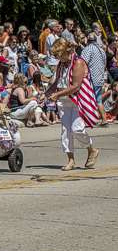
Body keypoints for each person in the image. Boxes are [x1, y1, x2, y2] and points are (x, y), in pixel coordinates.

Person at [46, 38, 99, 170]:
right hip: (63, 101)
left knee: (77, 129)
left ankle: (91, 149)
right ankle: (70, 160)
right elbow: (57, 81)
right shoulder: (61, 64)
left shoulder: (78, 62)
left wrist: (57, 94)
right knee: (66, 131)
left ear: (66, 51)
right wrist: (46, 93)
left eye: (58, 55)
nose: (57, 58)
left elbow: (75, 86)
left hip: (77, 100)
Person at [80, 33, 108, 125]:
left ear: (87, 40)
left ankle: (89, 120)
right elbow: (105, 64)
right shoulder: (101, 50)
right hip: (99, 78)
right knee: (98, 100)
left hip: (91, 78)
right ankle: (104, 119)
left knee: (88, 100)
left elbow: (82, 62)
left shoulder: (87, 49)